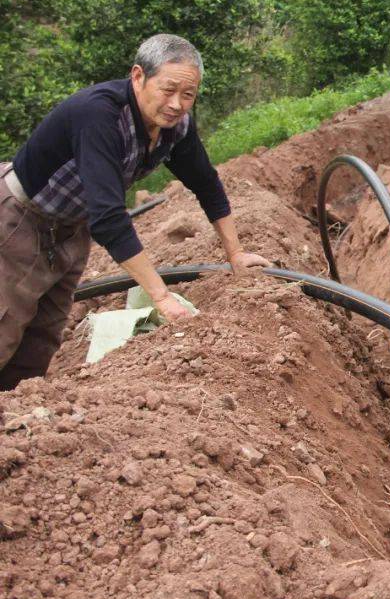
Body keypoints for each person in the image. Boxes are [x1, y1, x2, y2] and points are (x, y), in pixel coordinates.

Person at [0, 34, 269, 390]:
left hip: (69, 228)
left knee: (41, 340)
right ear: (138, 76)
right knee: (5, 326)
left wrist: (235, 254)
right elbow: (109, 219)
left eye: (188, 95)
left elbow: (207, 184)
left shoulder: (175, 127)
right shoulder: (98, 116)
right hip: (19, 219)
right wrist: (160, 295)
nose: (177, 104)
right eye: (168, 90)